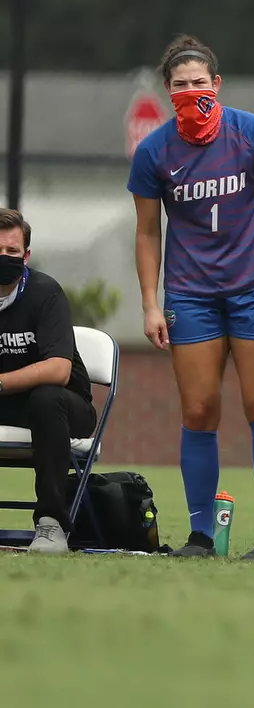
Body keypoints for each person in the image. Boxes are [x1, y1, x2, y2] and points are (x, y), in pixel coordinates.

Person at [129, 35, 254, 560]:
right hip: (191, 295)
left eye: (200, 82)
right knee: (199, 408)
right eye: (181, 84)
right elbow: (147, 232)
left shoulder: (251, 132)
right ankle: (201, 535)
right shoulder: (154, 151)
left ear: (217, 84)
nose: (192, 91)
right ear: (168, 91)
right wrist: (149, 302)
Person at [0, 209, 95, 553]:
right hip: (11, 404)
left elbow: (59, 370)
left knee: (45, 397)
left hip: (66, 407)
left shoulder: (46, 294)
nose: (4, 258)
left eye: (12, 251)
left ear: (26, 256)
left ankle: (51, 525)